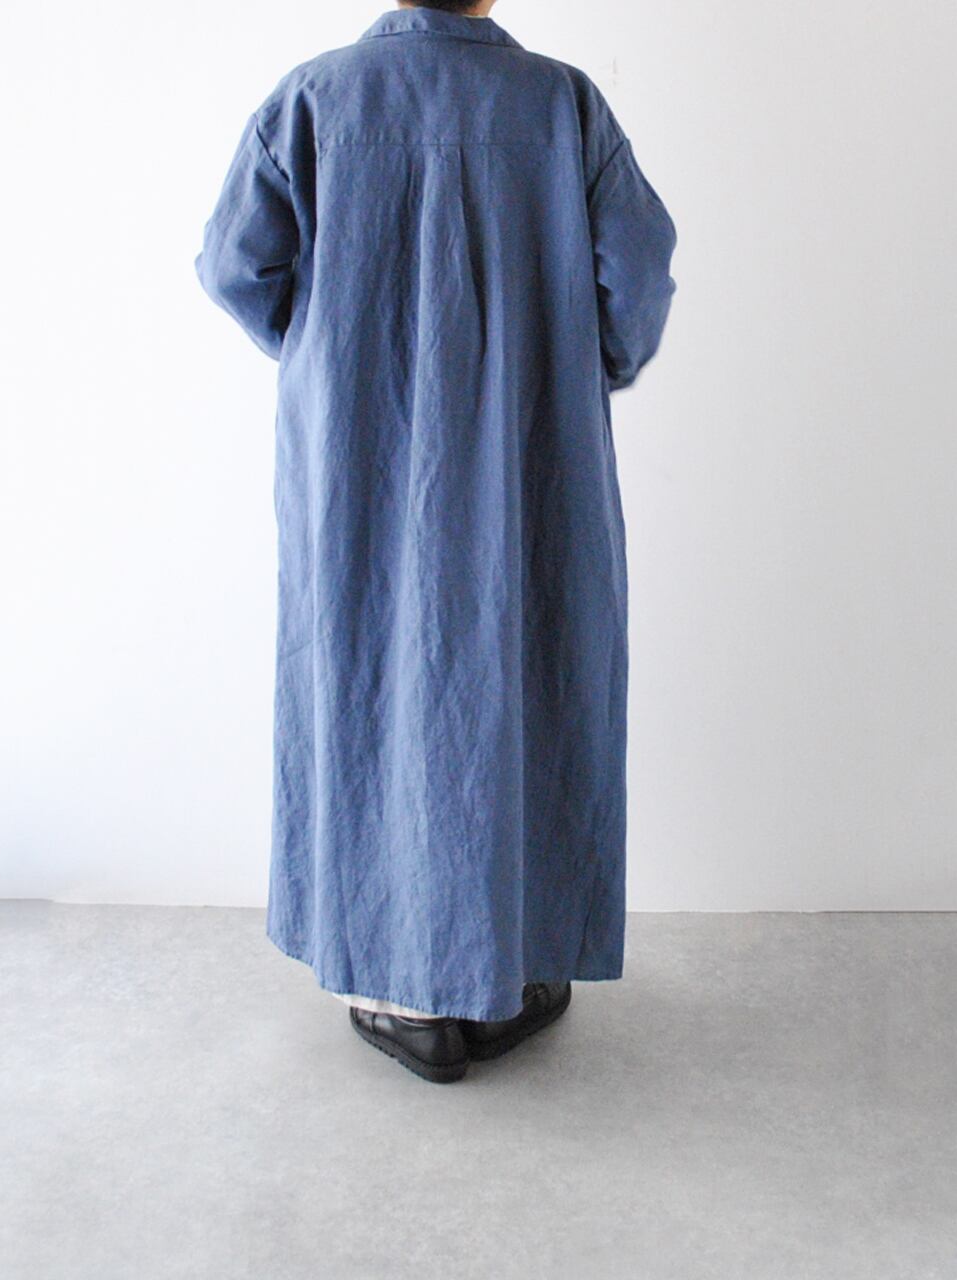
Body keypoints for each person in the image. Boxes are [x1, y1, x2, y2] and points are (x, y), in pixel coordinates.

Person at [194, 0, 677, 1083]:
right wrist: (570, 361)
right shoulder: (561, 106)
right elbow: (637, 275)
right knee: (529, 677)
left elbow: (234, 265)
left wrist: (331, 352)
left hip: (359, 463)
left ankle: (400, 989)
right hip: (530, 453)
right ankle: (513, 967)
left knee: (369, 681)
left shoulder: (313, 102)